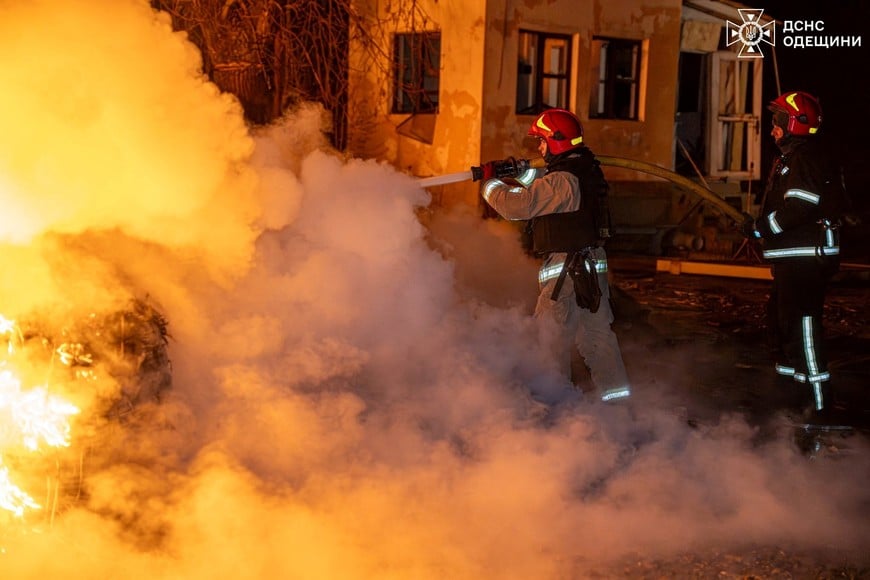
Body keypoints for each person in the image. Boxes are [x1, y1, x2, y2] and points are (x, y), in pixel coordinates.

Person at [478, 108, 631, 403]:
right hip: (590, 265)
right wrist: (518, 171)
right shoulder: (585, 169)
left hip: (566, 271)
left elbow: (517, 206)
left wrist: (490, 184)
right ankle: (619, 408)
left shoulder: (564, 181)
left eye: (542, 141)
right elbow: (546, 184)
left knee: (548, 340)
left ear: (556, 141)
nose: (539, 147)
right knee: (598, 339)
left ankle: (556, 408)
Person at [740, 91, 848, 426]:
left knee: (802, 329)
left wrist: (761, 229)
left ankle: (818, 407)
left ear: (794, 124)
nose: (772, 129)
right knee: (781, 325)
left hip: (806, 260)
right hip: (792, 260)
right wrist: (759, 229)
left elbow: (800, 207)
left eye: (777, 122)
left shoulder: (806, 158)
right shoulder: (793, 158)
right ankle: (790, 396)